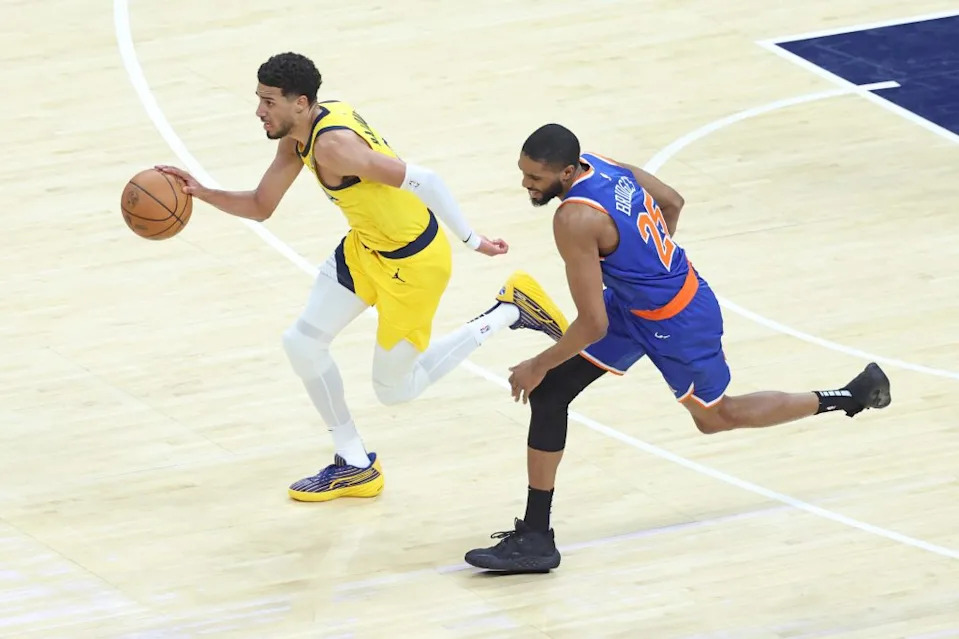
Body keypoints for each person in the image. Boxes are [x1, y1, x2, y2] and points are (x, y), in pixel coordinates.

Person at [463, 123, 892, 572]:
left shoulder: (573, 219)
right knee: (552, 394)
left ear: (568, 172)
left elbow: (592, 324)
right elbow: (672, 202)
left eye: (535, 177)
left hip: (678, 320)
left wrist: (536, 363)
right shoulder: (604, 164)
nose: (526, 184)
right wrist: (647, 267)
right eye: (523, 173)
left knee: (715, 418)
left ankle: (849, 396)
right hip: (635, 306)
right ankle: (536, 536)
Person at [156, 53, 570, 502]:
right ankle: (354, 463)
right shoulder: (298, 136)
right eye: (259, 99)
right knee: (301, 343)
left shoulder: (333, 147)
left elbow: (427, 180)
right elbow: (261, 205)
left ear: (301, 103)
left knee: (395, 390)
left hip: (414, 266)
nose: (259, 110)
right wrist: (200, 192)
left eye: (268, 102)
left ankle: (508, 310)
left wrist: (474, 241)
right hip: (364, 250)